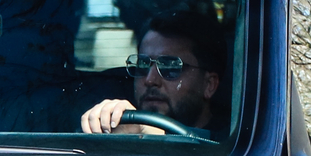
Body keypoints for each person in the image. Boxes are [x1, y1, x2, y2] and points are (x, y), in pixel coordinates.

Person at [80, 15, 226, 138]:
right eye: (143, 65)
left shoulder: (235, 147)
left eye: (171, 67)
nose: (150, 80)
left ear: (209, 85)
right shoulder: (126, 130)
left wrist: (159, 140)